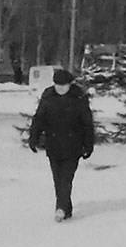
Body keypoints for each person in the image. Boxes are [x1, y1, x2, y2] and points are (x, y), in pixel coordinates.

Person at [29, 68, 94, 222]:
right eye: (58, 85)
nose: (60, 89)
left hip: (73, 146)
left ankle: (60, 208)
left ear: (69, 85)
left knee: (66, 179)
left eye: (63, 86)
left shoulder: (78, 98)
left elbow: (87, 124)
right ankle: (67, 208)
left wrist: (88, 145)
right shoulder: (48, 97)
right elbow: (39, 119)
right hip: (54, 144)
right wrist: (33, 138)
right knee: (58, 179)